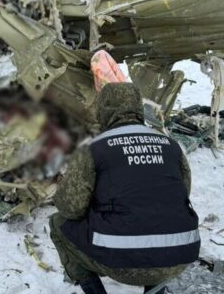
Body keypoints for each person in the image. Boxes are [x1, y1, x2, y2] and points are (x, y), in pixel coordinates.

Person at [50, 83, 200, 294]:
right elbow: (181, 194)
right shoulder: (171, 145)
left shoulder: (95, 149)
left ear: (103, 110)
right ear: (138, 108)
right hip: (181, 256)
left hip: (122, 264)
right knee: (160, 219)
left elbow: (70, 208)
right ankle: (155, 289)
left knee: (58, 224)